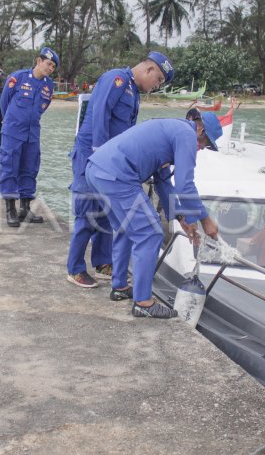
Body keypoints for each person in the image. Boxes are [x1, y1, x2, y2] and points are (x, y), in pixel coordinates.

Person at [84, 110, 222, 318]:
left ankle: (120, 287)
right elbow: (185, 185)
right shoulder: (186, 134)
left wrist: (182, 218)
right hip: (117, 175)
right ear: (199, 128)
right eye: (205, 142)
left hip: (97, 170)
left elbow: (164, 182)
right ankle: (143, 303)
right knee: (150, 233)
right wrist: (205, 219)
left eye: (207, 146)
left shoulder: (170, 128)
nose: (202, 147)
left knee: (125, 229)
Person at [66, 52, 174, 289]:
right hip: (91, 157)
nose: (154, 87)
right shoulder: (116, 79)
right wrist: (100, 156)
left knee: (106, 212)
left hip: (111, 164)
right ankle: (75, 268)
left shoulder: (133, 93)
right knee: (87, 213)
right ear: (149, 70)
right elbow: (100, 116)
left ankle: (103, 262)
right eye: (157, 81)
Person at [0, 47, 58, 227]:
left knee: (30, 168)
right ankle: (10, 209)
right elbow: (4, 102)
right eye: (48, 64)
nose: (50, 68)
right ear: (38, 61)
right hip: (13, 132)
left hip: (32, 133)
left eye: (53, 66)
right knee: (9, 167)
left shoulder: (49, 85)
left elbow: (43, 106)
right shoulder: (18, 77)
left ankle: (25, 208)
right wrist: (12, 122)